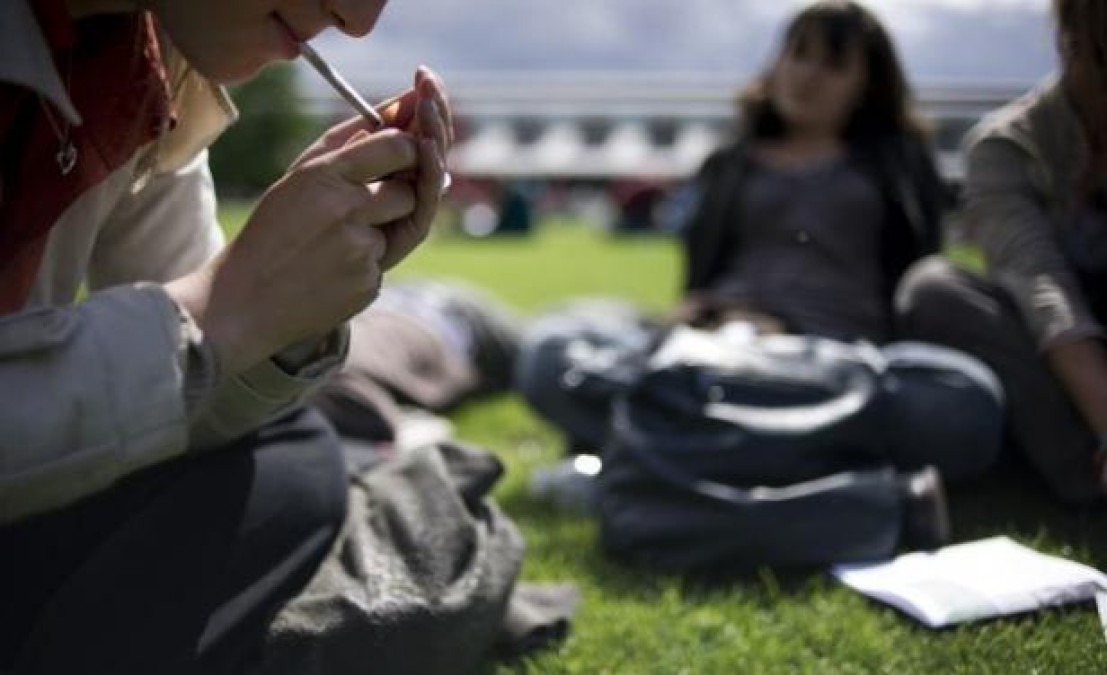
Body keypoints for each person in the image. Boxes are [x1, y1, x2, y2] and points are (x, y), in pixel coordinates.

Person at [0, 0, 452, 672]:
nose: (357, 20)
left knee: (293, 455)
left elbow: (197, 393)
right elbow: (200, 330)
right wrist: (224, 307)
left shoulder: (143, 59)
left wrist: (288, 305)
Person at [518, 1, 999, 564]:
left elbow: (916, 280)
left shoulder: (896, 162)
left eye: (832, 64)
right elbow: (703, 274)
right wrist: (702, 314)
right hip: (714, 352)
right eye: (797, 55)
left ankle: (649, 462)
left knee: (968, 400)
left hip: (830, 366)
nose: (806, 74)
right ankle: (845, 482)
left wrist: (787, 329)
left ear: (868, 85)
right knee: (548, 348)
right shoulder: (731, 162)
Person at [897, 0, 1107, 506]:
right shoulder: (1006, 145)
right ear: (1073, 40)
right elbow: (1041, 287)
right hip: (1062, 368)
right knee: (935, 290)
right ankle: (1086, 473)